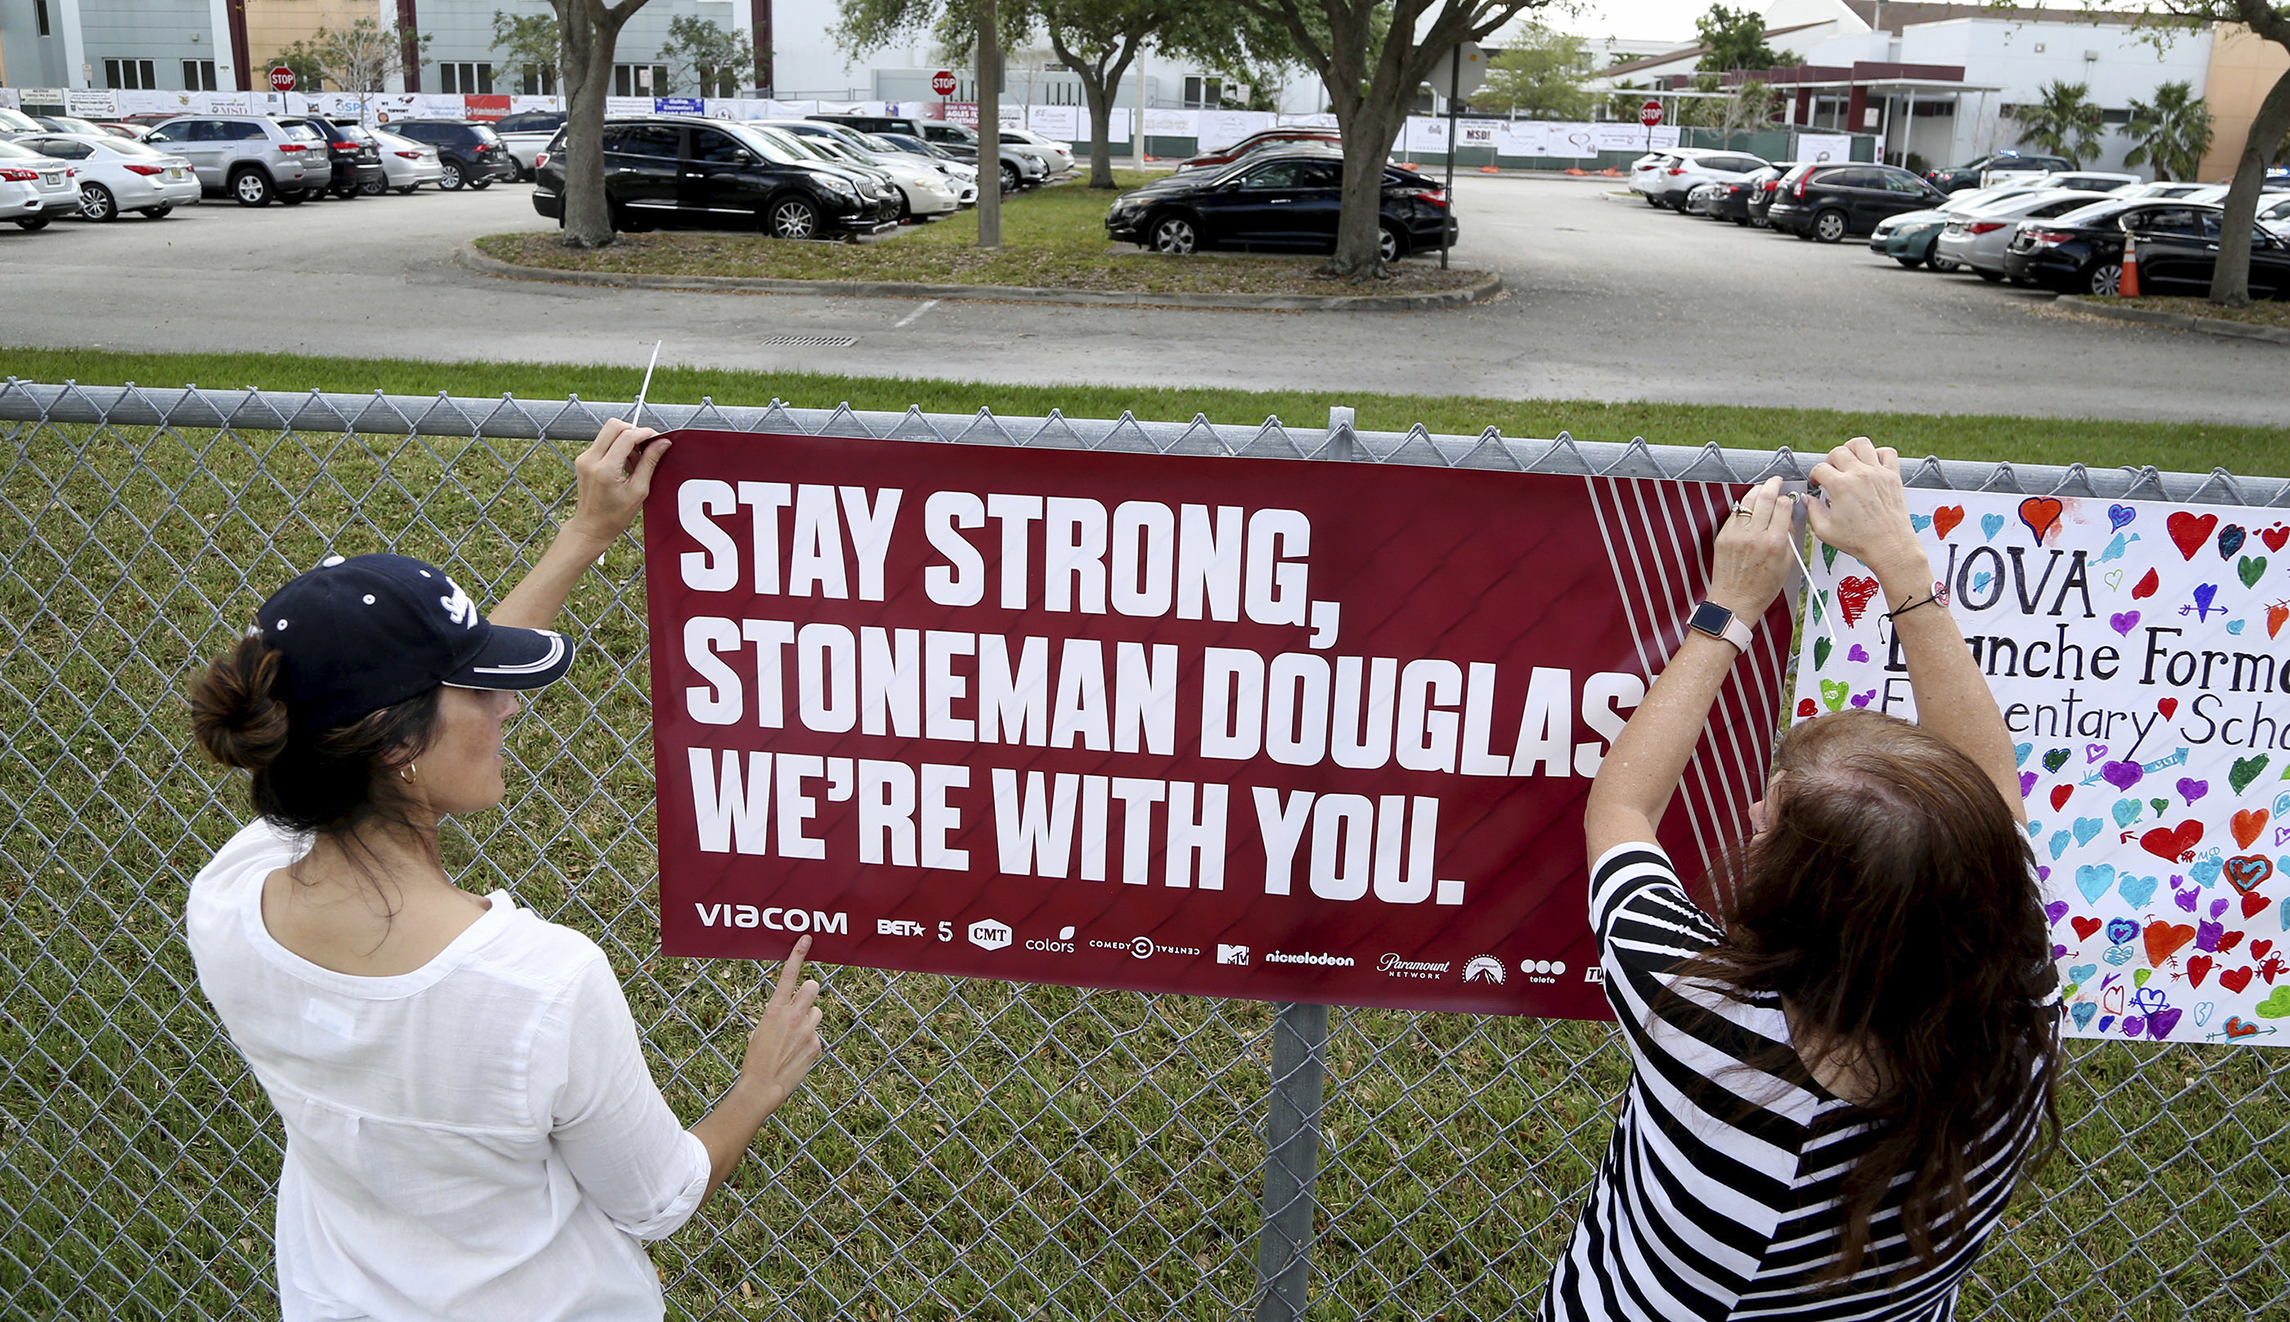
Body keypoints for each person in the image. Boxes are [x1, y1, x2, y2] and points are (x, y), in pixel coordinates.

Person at [185, 420, 825, 1322]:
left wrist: (587, 532)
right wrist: (758, 1084)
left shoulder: (228, 897)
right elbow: (659, 1199)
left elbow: (414, 694)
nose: (508, 708)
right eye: (481, 690)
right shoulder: (542, 984)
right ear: (398, 745)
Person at [1542, 439, 2059, 1320]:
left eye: (1771, 818)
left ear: (1806, 904)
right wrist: (1900, 563)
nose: (1752, 816)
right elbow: (1989, 796)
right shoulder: (2013, 1017)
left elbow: (1621, 810)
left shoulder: (1702, 1022)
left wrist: (1726, 610)